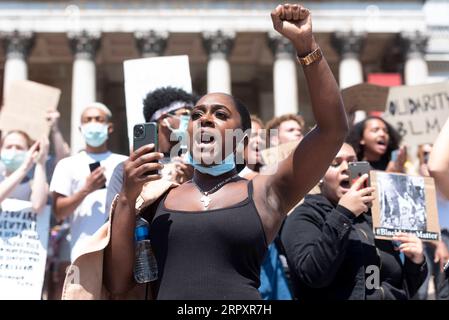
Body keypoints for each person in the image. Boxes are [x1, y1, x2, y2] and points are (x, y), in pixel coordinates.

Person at [104, 3, 349, 300]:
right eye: (196, 115)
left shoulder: (266, 190)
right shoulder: (158, 198)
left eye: (220, 114)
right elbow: (119, 285)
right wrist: (128, 199)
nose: (205, 119)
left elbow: (332, 130)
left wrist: (306, 46)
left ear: (242, 141)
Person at [281, 143, 427, 300]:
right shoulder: (303, 217)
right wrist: (343, 214)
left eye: (353, 162)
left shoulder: (375, 216)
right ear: (319, 174)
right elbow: (314, 276)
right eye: (335, 163)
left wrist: (416, 262)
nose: (346, 168)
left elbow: (400, 289)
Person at [50, 102, 127, 262]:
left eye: (98, 119)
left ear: (109, 127)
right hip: (82, 251)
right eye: (88, 120)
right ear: (80, 129)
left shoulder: (125, 162)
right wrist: (86, 189)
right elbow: (59, 212)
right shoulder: (66, 165)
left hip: (120, 250)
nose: (93, 124)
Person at [105, 87, 197, 215]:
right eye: (187, 114)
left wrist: (192, 183)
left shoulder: (195, 166)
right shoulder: (129, 168)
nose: (193, 121)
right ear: (164, 119)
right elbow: (111, 221)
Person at [0, 130, 49, 212]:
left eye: (19, 148)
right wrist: (24, 167)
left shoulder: (33, 182)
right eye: (9, 147)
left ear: (29, 151)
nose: (13, 151)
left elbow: (38, 205)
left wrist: (41, 163)